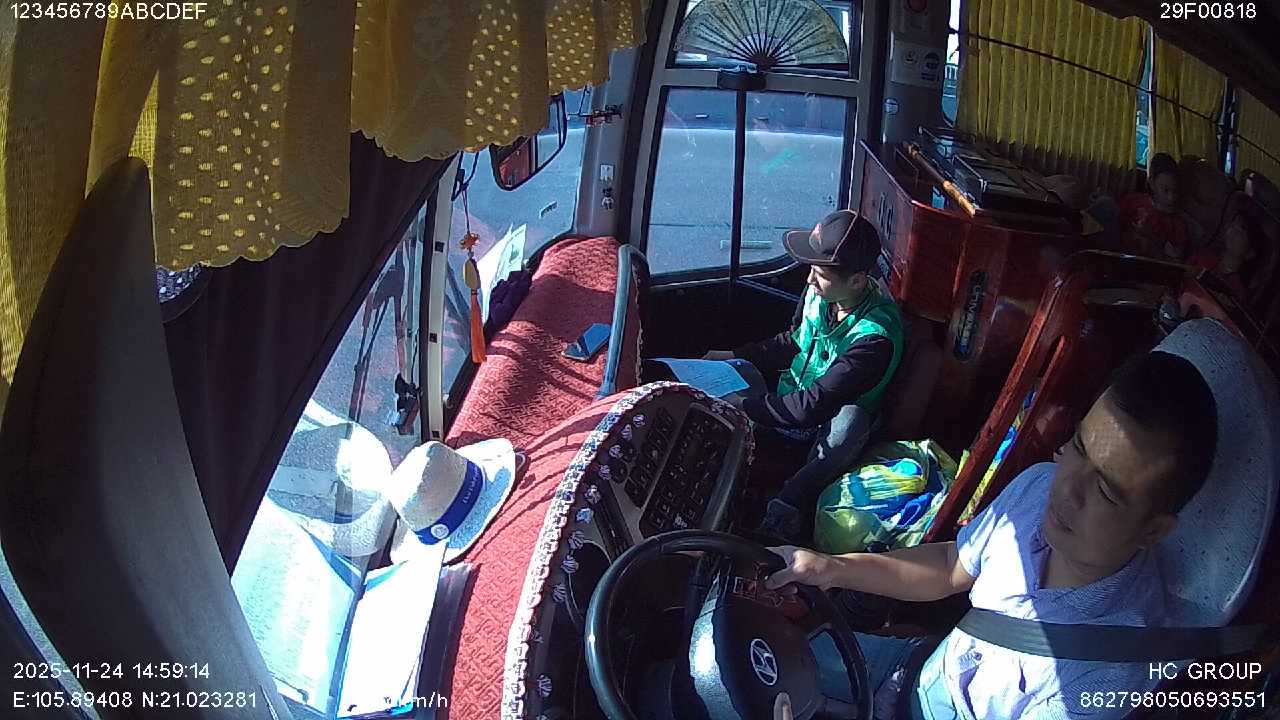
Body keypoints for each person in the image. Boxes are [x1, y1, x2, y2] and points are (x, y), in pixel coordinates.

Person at [764, 350, 1218, 719]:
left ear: (1153, 530)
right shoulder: (1038, 487)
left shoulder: (1109, 670)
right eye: (1079, 447)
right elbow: (952, 566)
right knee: (758, 661)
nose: (1067, 488)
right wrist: (831, 568)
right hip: (917, 669)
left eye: (1105, 490)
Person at [703, 209, 904, 543]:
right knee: (732, 374)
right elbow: (793, 342)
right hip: (789, 399)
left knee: (850, 424)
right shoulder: (825, 293)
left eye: (819, 274)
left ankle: (787, 508)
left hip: (820, 423)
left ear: (857, 281)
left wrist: (743, 406)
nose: (809, 280)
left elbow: (812, 406)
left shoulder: (874, 339)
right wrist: (731, 356)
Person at [1119, 153, 1192, 261]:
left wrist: (1153, 238)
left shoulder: (1178, 223)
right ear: (1152, 184)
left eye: (1175, 191)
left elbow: (1176, 257)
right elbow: (1117, 224)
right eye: (1166, 190)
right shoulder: (1134, 201)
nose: (1171, 198)